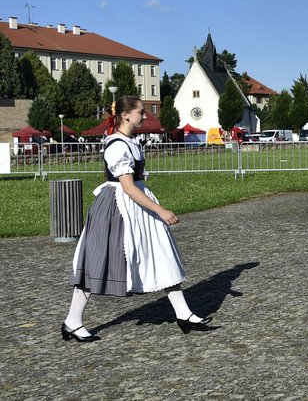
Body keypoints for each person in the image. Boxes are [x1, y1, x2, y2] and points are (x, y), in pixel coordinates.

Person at [61, 96, 216, 342]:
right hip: (117, 209)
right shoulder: (117, 145)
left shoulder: (132, 142)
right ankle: (72, 321)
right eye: (141, 112)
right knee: (98, 262)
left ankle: (184, 314)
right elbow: (128, 188)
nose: (145, 116)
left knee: (162, 253)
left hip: (139, 205)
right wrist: (161, 210)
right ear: (126, 115)